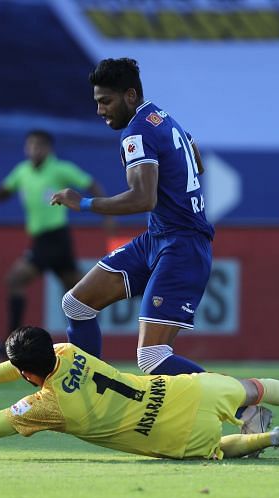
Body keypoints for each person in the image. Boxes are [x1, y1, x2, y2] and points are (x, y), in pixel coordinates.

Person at [0, 326, 279, 460]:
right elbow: (18, 367)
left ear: (28, 374)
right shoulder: (65, 351)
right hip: (184, 390)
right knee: (252, 389)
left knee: (218, 449)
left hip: (170, 432)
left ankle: (274, 438)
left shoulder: (47, 406)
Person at [49, 58, 212, 378]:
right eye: (97, 102)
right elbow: (196, 159)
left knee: (152, 357)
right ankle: (88, 395)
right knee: (76, 304)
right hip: (160, 237)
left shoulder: (136, 132)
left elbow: (143, 198)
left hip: (182, 245)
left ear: (130, 95)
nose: (100, 111)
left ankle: (245, 403)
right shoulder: (163, 119)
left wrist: (81, 204)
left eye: (105, 101)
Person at [0, 130, 110, 336]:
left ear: (48, 148)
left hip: (55, 237)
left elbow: (91, 184)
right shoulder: (22, 171)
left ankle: (11, 341)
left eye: (38, 146)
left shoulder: (60, 169)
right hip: (42, 239)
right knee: (77, 294)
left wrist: (107, 213)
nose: (33, 150)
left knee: (15, 280)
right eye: (30, 145)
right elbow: (4, 192)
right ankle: (89, 331)